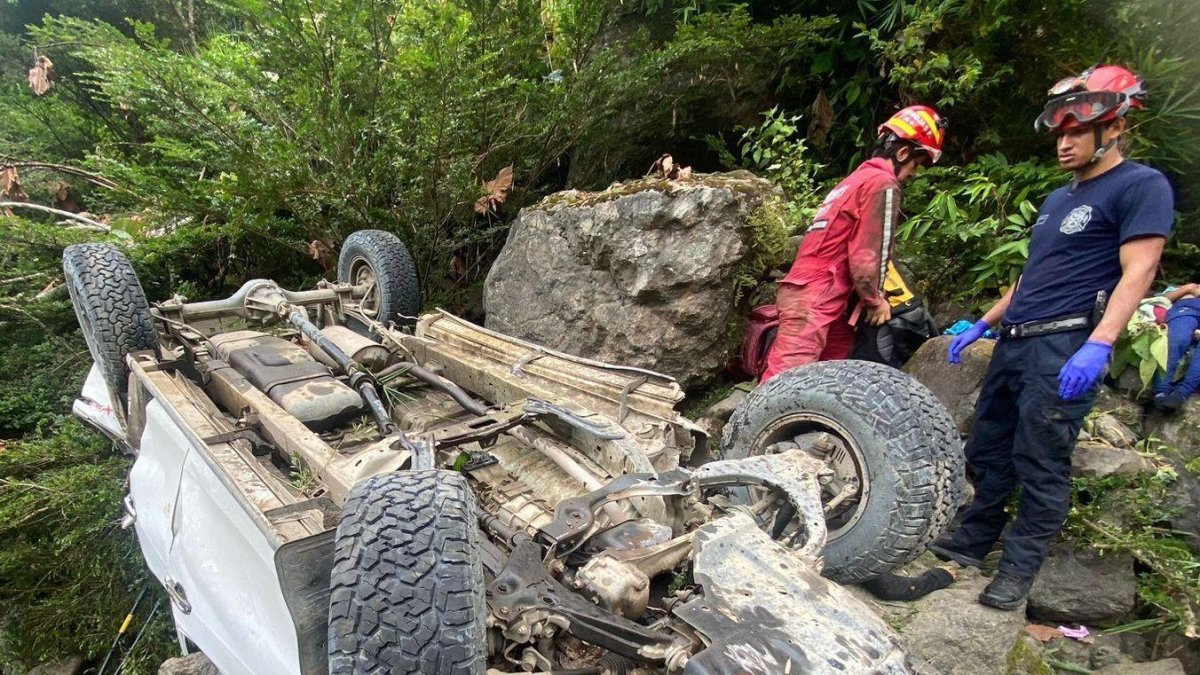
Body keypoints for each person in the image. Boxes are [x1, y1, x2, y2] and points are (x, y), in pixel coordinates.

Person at [931, 65, 1175, 609]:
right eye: (1059, 134)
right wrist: (983, 324)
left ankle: (1016, 574)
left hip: (1063, 345)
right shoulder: (1056, 201)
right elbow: (1031, 277)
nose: (1063, 144)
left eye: (1075, 133)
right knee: (989, 450)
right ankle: (970, 544)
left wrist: (1101, 343)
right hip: (1015, 341)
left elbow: (1140, 270)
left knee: (1041, 461)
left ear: (1111, 129)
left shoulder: (1141, 185)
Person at [760, 105, 946, 382]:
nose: (913, 174)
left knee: (828, 380)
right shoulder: (883, 183)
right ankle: (756, 425)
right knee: (783, 382)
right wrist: (875, 302)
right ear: (903, 153)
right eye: (915, 166)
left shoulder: (856, 179)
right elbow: (868, 255)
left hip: (816, 294)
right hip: (819, 295)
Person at [1153, 283, 1200, 413]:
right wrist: (1187, 289)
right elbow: (1161, 300)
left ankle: (1181, 393)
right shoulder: (1190, 287)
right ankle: (1161, 391)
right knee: (1178, 338)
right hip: (1186, 310)